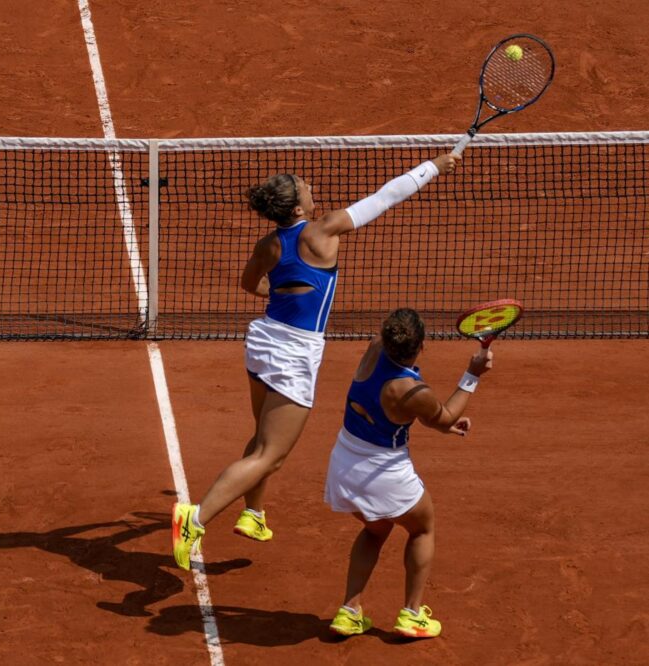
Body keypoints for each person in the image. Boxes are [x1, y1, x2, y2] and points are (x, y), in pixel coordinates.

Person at [172, 152, 462, 571]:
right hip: (293, 353)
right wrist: (433, 167)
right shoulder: (323, 232)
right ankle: (193, 519)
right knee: (271, 455)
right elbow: (386, 197)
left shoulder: (268, 244)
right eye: (305, 188)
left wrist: (284, 297)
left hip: (263, 340)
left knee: (262, 435)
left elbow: (249, 283)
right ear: (296, 208)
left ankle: (253, 514)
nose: (312, 189)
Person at [324, 308, 493, 639]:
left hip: (344, 463)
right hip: (383, 473)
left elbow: (422, 416)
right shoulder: (412, 391)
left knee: (376, 530)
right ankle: (412, 615)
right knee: (422, 528)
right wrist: (473, 374)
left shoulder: (373, 349)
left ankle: (349, 612)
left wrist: (440, 422)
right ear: (421, 347)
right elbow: (442, 417)